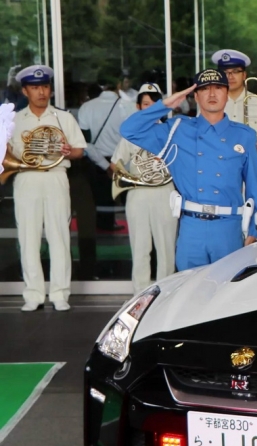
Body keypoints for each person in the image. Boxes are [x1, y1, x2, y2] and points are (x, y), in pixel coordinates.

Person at [120, 69, 257, 271]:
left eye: (218, 89)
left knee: (226, 294)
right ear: (195, 96)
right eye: (204, 89)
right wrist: (165, 105)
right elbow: (128, 130)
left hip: (229, 228)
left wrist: (254, 231)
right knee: (188, 293)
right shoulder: (177, 129)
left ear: (226, 93)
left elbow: (254, 188)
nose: (212, 95)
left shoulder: (244, 135)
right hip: (191, 228)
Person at [9, 65, 86, 311]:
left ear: (50, 89)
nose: (41, 92)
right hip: (26, 178)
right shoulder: (14, 119)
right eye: (34, 88)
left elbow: (79, 150)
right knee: (28, 237)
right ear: (25, 91)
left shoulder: (63, 118)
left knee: (59, 236)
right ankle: (33, 294)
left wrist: (67, 151)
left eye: (44, 87)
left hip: (55, 177)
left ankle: (59, 293)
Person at [108, 83, 177, 293]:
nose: (150, 108)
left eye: (155, 104)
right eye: (146, 104)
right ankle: (140, 293)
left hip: (166, 192)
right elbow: (115, 164)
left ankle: (166, 292)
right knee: (140, 247)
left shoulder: (171, 131)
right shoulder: (130, 134)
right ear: (138, 107)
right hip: (138, 193)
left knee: (166, 247)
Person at [78, 76, 136, 230]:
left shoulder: (87, 107)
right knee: (131, 203)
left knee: (101, 202)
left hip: (97, 162)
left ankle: (105, 229)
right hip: (125, 163)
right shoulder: (129, 106)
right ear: (118, 85)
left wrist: (105, 165)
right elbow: (133, 139)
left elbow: (85, 142)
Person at [212, 49, 257, 154]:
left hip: (251, 164)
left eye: (235, 71)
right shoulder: (210, 103)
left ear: (244, 75)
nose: (230, 76)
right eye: (225, 72)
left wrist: (252, 151)